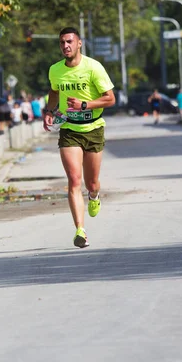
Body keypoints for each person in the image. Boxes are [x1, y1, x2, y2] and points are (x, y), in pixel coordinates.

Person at [43, 26, 115, 249]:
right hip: (69, 128)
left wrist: (85, 104)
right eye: (62, 42)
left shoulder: (93, 67)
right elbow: (55, 91)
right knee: (74, 180)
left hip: (93, 128)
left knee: (91, 182)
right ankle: (80, 231)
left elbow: (110, 99)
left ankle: (94, 195)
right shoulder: (55, 70)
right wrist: (48, 111)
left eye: (69, 42)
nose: (66, 46)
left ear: (79, 43)